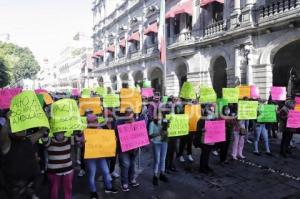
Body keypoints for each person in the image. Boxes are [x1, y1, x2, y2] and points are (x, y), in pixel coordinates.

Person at [0, 112, 46, 199]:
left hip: (30, 189)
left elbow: (41, 132)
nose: (21, 129)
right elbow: (3, 136)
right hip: (15, 192)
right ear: (11, 129)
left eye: (22, 126)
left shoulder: (28, 140)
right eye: (17, 127)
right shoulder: (7, 144)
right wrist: (7, 122)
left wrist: (45, 118)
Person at [84, 113, 118, 199]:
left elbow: (106, 141)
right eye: (91, 121)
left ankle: (109, 187)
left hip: (100, 156)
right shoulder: (85, 131)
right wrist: (81, 141)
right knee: (92, 174)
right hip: (90, 157)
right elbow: (79, 143)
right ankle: (93, 192)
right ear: (88, 122)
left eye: (95, 121)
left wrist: (113, 140)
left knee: (106, 172)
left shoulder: (101, 129)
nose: (94, 122)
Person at [42, 131, 75, 199]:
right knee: (54, 190)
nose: (60, 134)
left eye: (61, 133)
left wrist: (78, 132)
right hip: (54, 171)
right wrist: (45, 132)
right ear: (54, 133)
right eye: (58, 133)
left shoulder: (69, 139)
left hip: (68, 170)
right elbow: (44, 139)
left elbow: (78, 139)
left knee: (68, 189)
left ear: (64, 132)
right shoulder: (49, 141)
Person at [116, 109, 140, 192]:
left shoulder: (137, 122)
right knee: (125, 165)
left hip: (134, 148)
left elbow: (140, 134)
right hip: (124, 148)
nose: (129, 115)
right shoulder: (119, 122)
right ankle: (124, 183)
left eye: (131, 113)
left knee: (132, 164)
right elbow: (116, 134)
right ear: (125, 114)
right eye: (128, 113)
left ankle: (132, 179)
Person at [194, 104, 216, 174]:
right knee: (204, 153)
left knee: (208, 153)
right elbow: (198, 128)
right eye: (210, 110)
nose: (211, 111)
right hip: (204, 139)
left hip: (211, 139)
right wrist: (202, 129)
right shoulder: (202, 119)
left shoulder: (213, 118)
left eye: (212, 110)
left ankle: (206, 165)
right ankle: (202, 167)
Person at [148, 115, 169, 186]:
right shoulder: (152, 123)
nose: (159, 117)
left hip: (164, 142)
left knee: (163, 159)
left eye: (160, 115)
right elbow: (150, 135)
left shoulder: (165, 121)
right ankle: (155, 176)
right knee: (157, 160)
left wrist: (167, 128)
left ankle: (162, 174)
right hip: (156, 143)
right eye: (157, 115)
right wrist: (159, 133)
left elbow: (168, 132)